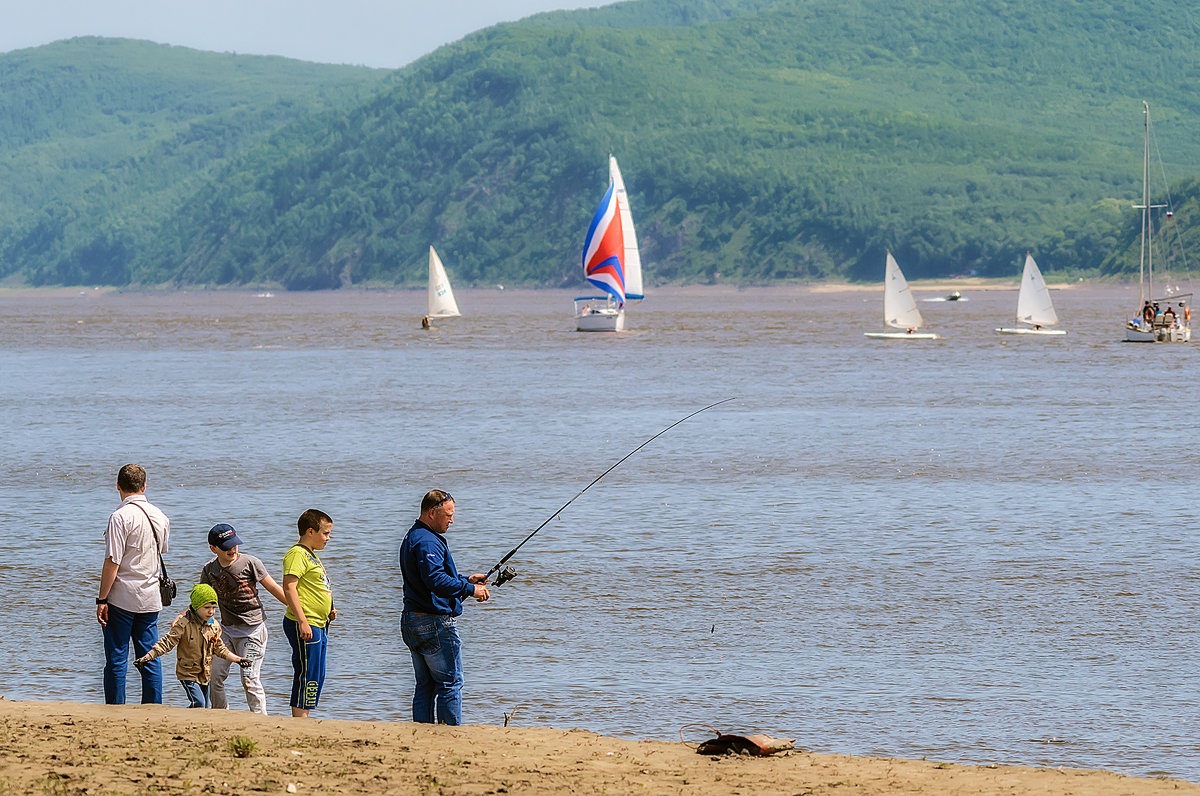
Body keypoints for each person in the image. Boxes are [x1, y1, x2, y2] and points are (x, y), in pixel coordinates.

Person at [398, 490, 490, 725]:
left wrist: (465, 580)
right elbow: (435, 580)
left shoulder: (414, 535)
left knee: (426, 685)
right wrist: (471, 590)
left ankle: (422, 732)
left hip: (412, 619)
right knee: (450, 683)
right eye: (448, 515)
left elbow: (430, 577)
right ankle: (451, 735)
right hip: (432, 623)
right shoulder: (427, 540)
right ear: (432, 513)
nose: (452, 520)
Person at [96, 463, 170, 705]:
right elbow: (162, 551)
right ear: (144, 486)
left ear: (118, 486)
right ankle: (153, 707)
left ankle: (116, 708)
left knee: (117, 658)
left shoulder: (119, 517)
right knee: (150, 656)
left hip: (121, 597)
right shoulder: (160, 516)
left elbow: (112, 562)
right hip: (150, 597)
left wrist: (102, 599)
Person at [200, 523, 287, 715]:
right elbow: (202, 601)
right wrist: (184, 619)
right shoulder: (209, 570)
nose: (232, 549)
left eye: (234, 544)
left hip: (253, 630)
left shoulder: (250, 563)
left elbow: (273, 588)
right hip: (226, 631)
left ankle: (260, 719)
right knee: (214, 676)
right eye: (226, 546)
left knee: (249, 678)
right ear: (213, 549)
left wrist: (299, 611)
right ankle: (220, 715)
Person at [134, 584, 251, 708]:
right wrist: (147, 657)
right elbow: (166, 643)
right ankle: (178, 718)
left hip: (205, 674)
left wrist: (238, 660)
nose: (211, 611)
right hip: (187, 673)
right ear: (196, 607)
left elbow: (220, 649)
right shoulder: (183, 624)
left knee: (204, 708)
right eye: (206, 607)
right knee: (198, 704)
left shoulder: (214, 626)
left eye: (213, 607)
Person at [282, 509, 336, 718]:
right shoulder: (297, 553)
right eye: (325, 533)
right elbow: (289, 587)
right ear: (310, 531)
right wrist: (302, 621)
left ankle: (305, 714)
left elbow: (315, 587)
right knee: (307, 673)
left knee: (317, 673)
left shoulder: (311, 555)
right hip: (305, 622)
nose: (328, 538)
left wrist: (328, 608)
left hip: (319, 622)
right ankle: (299, 719)